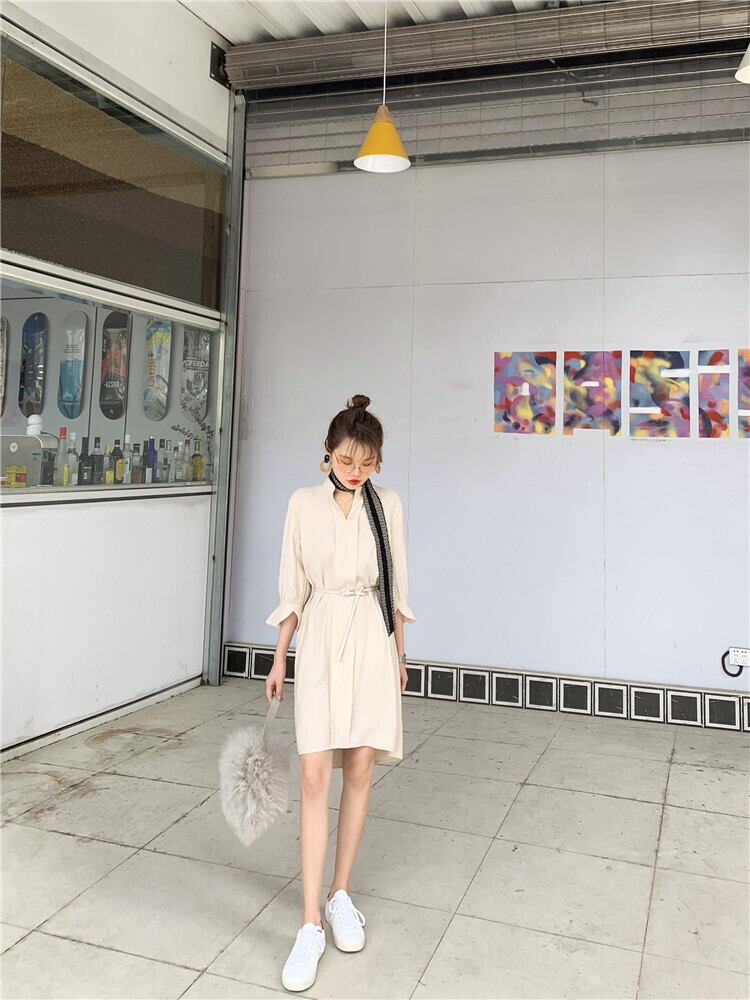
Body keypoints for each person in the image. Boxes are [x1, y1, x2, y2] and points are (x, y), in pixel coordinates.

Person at [264, 393, 416, 992]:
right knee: (312, 776)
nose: (356, 471)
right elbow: (293, 588)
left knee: (360, 768)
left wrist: (399, 656)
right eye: (347, 460)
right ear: (327, 454)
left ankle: (340, 894)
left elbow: (396, 585)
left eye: (367, 462)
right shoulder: (302, 504)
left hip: (372, 640)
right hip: (322, 635)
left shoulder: (387, 505)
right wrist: (280, 658)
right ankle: (309, 925)